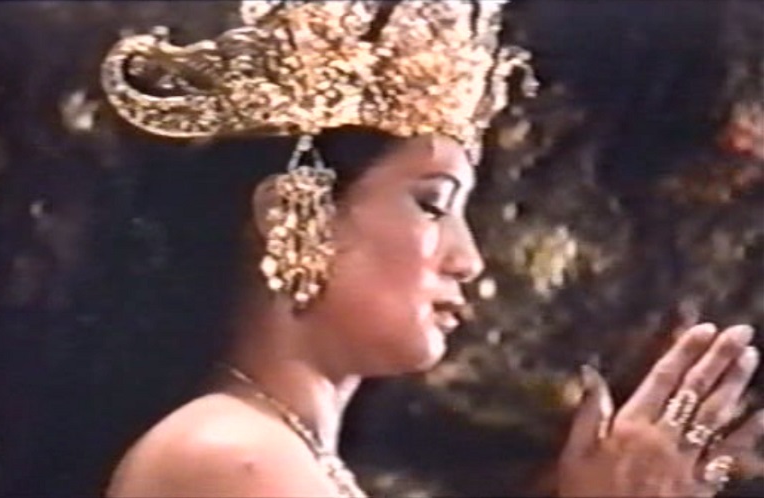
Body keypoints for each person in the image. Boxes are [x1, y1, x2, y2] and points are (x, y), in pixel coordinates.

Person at [99, 1, 762, 497]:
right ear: (295, 213)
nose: (467, 258)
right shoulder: (227, 455)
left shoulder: (278, 452)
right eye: (432, 204)